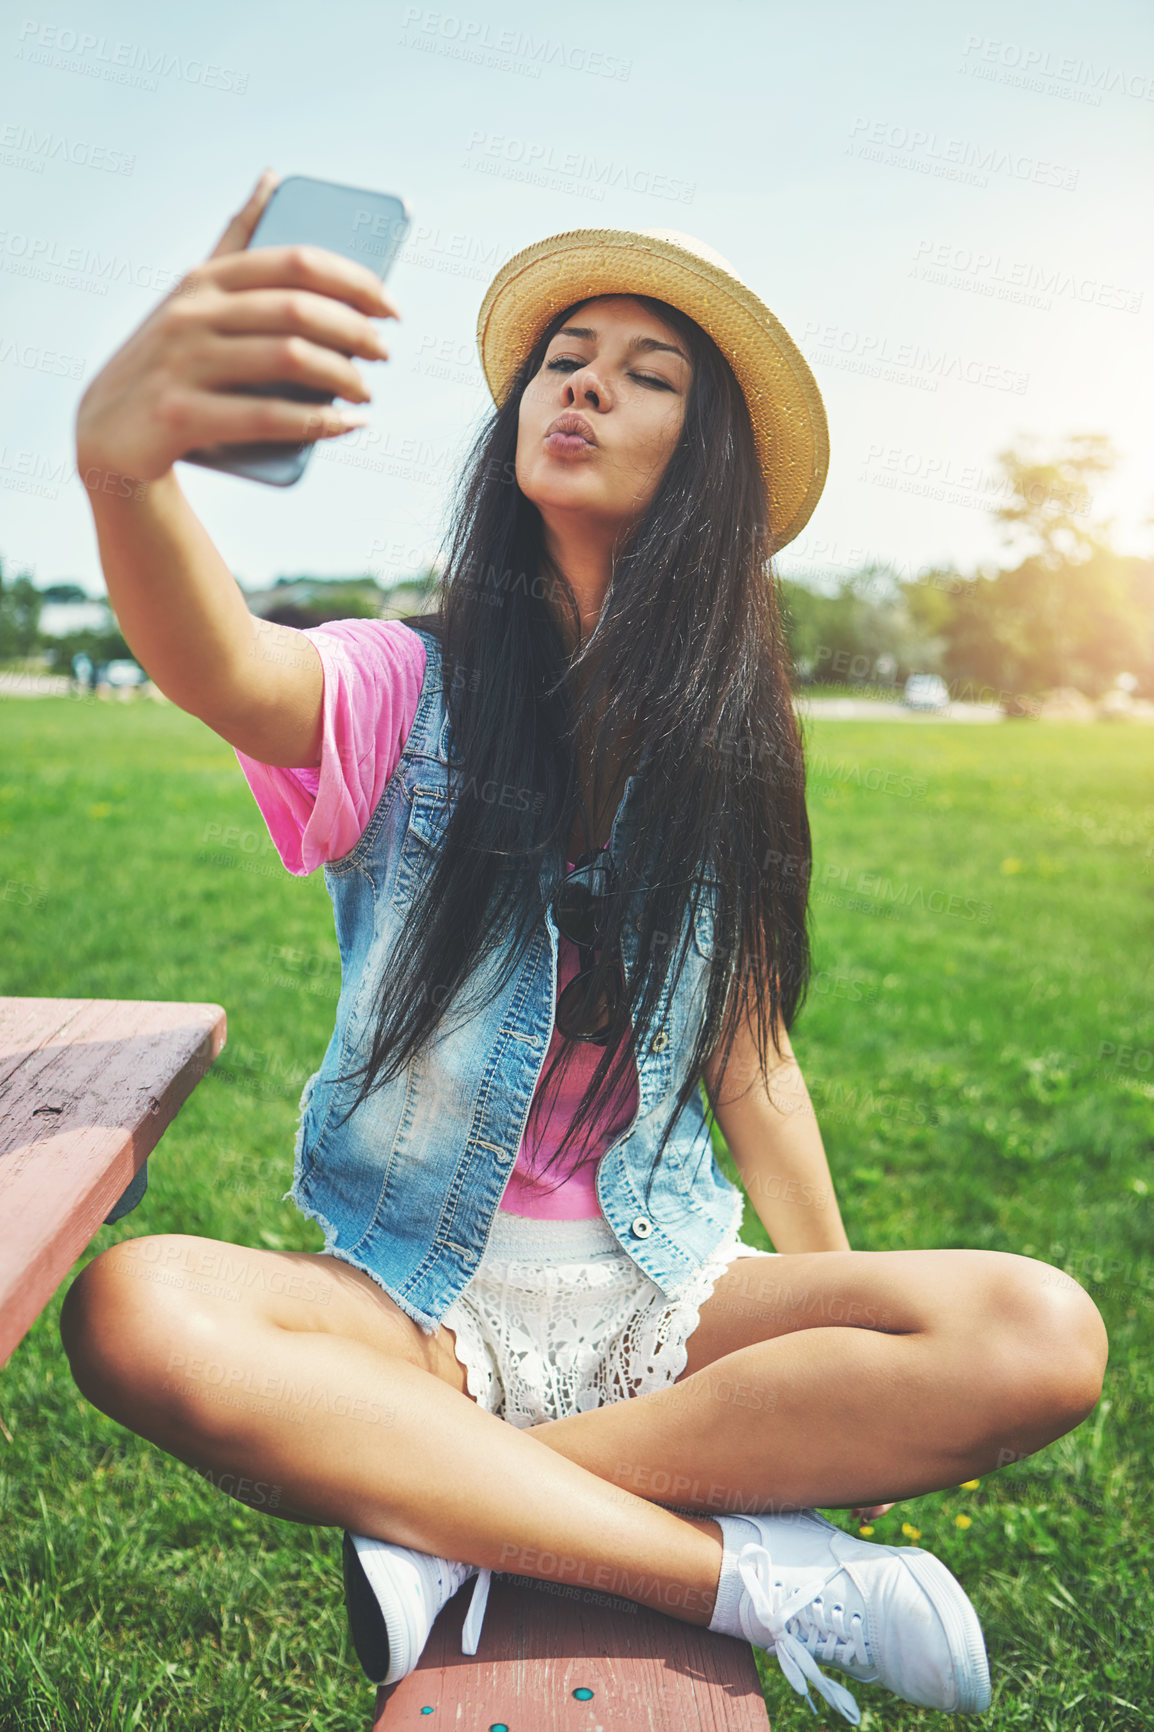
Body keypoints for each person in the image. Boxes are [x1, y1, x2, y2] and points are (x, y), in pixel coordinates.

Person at [60, 169, 1108, 1726]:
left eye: (647, 370)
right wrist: (125, 473)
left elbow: (750, 1053)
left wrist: (832, 1314)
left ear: (704, 459)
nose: (586, 382)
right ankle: (743, 1576)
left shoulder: (725, 749)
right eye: (564, 357)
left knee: (1037, 1332)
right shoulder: (398, 691)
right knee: (137, 1308)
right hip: (417, 1312)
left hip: (665, 1299)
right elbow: (224, 665)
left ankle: (449, 1522)